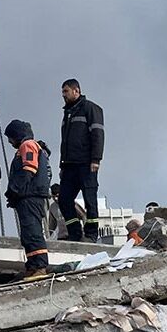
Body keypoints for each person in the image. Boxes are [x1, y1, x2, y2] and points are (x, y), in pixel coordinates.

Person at [58, 79, 105, 242]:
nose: (63, 95)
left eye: (66, 91)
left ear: (76, 91)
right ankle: (75, 233)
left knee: (89, 199)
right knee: (64, 200)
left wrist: (96, 159)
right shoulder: (67, 113)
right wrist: (62, 165)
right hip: (69, 165)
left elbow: (98, 135)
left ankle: (91, 234)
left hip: (86, 163)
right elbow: (64, 142)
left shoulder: (90, 109)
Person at [4, 120, 51, 277]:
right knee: (28, 234)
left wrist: (14, 190)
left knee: (33, 231)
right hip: (27, 196)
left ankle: (40, 266)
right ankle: (32, 266)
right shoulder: (29, 147)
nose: (10, 141)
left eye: (10, 137)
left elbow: (29, 169)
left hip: (30, 196)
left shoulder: (27, 145)